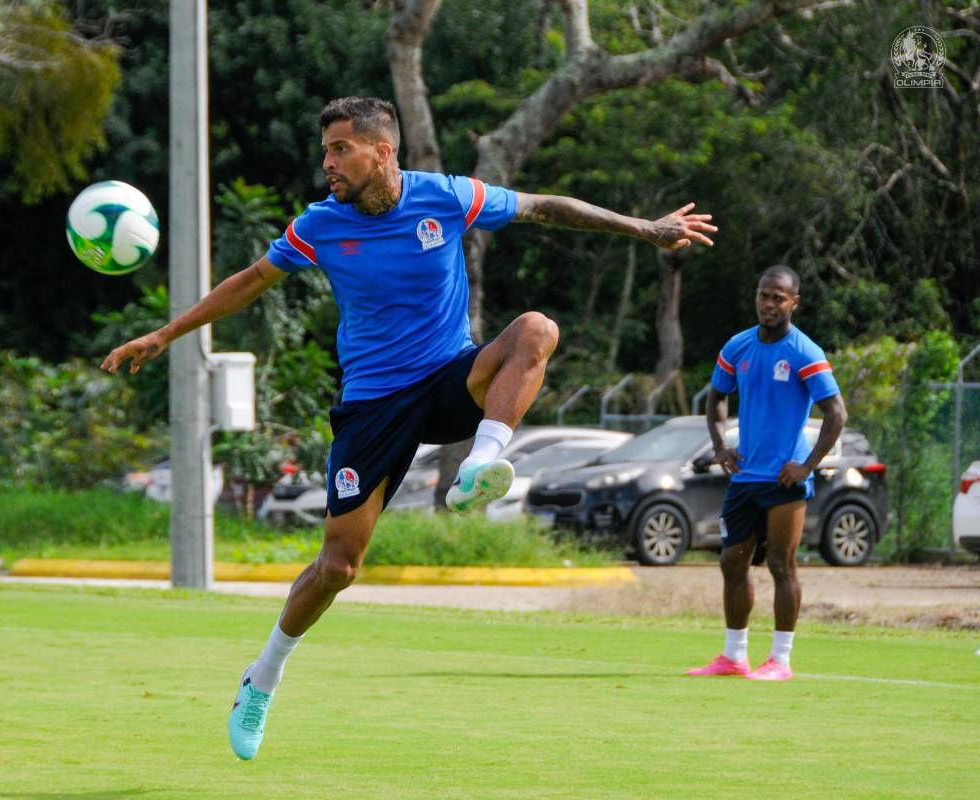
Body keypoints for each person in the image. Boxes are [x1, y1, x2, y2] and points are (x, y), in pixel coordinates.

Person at [101, 96, 717, 758]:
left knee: (537, 329)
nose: (327, 163)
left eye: (340, 149)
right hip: (373, 406)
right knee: (339, 565)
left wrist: (644, 229)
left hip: (450, 379)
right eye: (326, 151)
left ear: (382, 151)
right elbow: (253, 281)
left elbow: (545, 207)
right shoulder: (320, 224)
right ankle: (263, 676)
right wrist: (167, 333)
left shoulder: (448, 197)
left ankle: (482, 462)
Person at [687, 265, 846, 682]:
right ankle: (734, 656)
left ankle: (780, 659)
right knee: (731, 563)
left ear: (794, 302)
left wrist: (808, 465)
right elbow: (717, 396)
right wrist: (721, 446)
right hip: (744, 478)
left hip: (784, 480)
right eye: (763, 296)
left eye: (778, 298)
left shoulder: (804, 352)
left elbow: (836, 412)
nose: (769, 304)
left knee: (781, 564)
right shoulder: (738, 347)